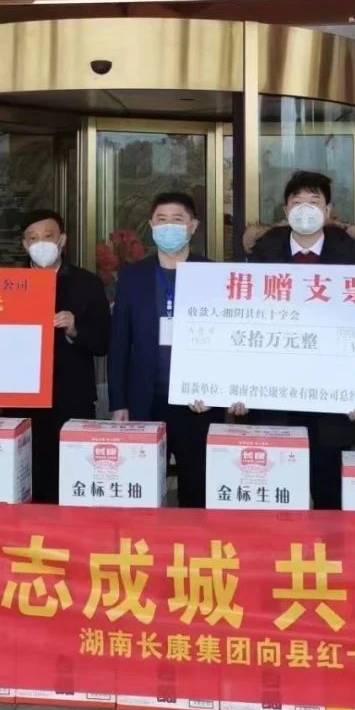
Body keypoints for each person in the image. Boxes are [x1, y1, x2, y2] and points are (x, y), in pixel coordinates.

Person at [108, 191, 242, 508]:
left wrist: (223, 390)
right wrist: (118, 401)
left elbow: (228, 342)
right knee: (142, 489)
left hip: (198, 403)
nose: (169, 226)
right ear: (152, 226)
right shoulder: (133, 276)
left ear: (193, 226)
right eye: (162, 220)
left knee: (196, 489)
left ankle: (193, 539)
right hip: (145, 398)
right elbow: (119, 342)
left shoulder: (215, 275)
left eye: (177, 220)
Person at [247, 170, 355, 510]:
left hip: (332, 402)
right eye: (297, 201)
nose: (305, 208)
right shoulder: (261, 255)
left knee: (329, 495)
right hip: (275, 399)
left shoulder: (353, 256)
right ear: (285, 211)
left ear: (328, 211)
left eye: (314, 201)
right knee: (276, 496)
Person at [10, 209, 110, 504]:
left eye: (48, 236)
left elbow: (103, 343)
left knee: (69, 481)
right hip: (21, 400)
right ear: (24, 244)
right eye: (33, 238)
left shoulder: (87, 283)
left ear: (62, 240)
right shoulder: (9, 283)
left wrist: (75, 329)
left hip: (71, 397)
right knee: (23, 480)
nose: (40, 243)